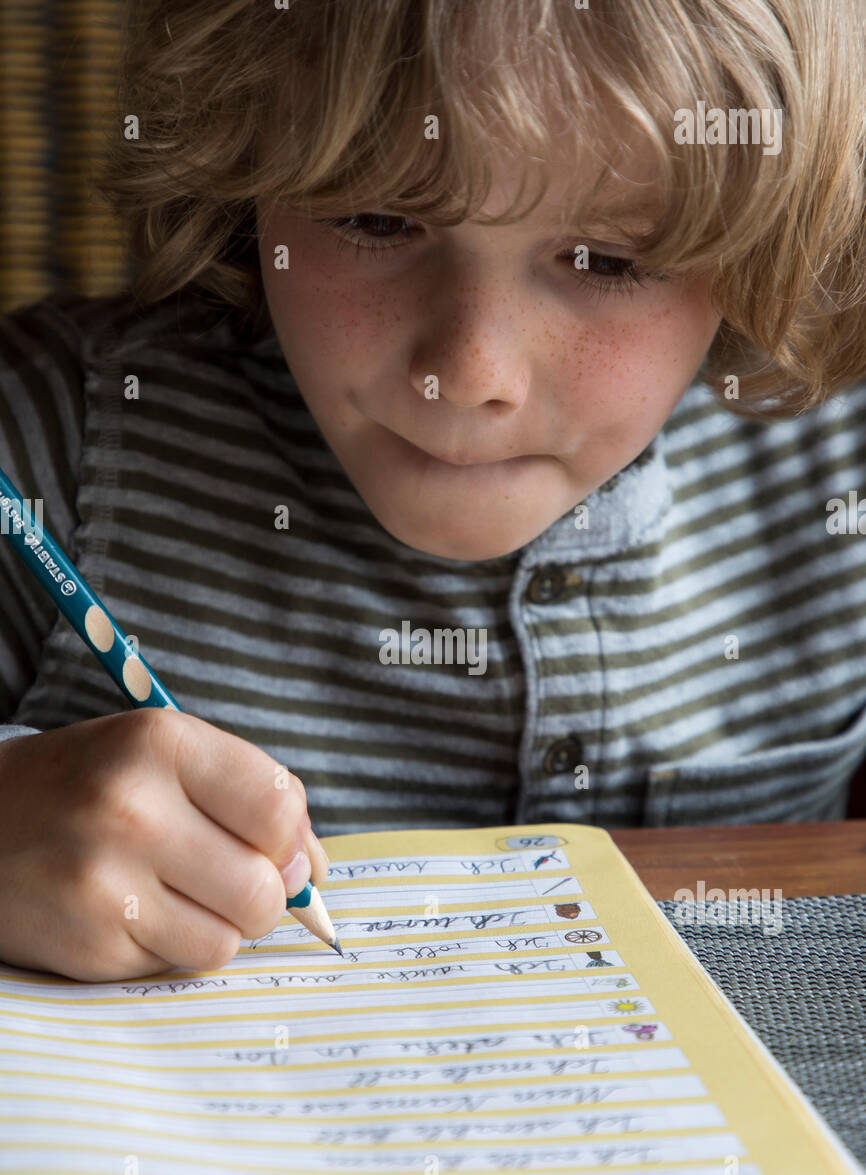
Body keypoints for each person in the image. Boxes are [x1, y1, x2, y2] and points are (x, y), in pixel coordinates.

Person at [0, 0, 864, 980]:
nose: (464, 371)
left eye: (606, 259)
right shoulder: (58, 442)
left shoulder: (836, 467)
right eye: (377, 217)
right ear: (244, 149)